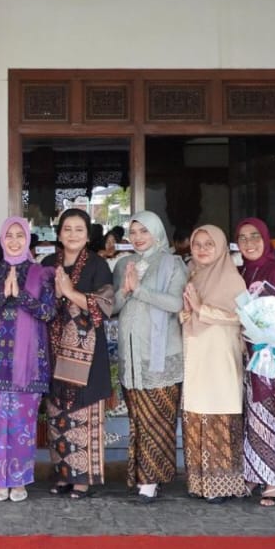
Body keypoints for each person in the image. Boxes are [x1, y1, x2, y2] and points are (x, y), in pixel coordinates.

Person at [0, 217, 53, 502]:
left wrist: (20, 296)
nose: (14, 241)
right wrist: (2, 294)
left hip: (29, 360)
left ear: (28, 240)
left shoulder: (40, 273)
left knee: (22, 422)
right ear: (2, 239)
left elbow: (48, 312)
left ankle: (18, 480)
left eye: (20, 235)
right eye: (9, 235)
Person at [113, 212, 188, 503]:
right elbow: (113, 307)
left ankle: (151, 480)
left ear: (156, 232)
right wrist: (124, 290)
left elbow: (175, 303)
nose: (138, 237)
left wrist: (140, 290)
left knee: (158, 420)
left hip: (161, 357)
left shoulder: (173, 263)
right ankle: (142, 475)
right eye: (133, 232)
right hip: (131, 356)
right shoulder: (123, 264)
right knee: (138, 420)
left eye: (144, 231)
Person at [42, 208, 114, 498]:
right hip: (54, 348)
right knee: (58, 413)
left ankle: (83, 478)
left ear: (87, 236)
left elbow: (105, 306)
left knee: (84, 412)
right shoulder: (48, 263)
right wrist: (54, 295)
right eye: (67, 229)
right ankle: (63, 475)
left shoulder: (98, 265)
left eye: (79, 229)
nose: (72, 234)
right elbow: (38, 303)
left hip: (88, 354)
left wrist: (70, 293)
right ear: (59, 234)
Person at [234, 217, 275, 507]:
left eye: (254, 236)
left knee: (267, 416)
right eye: (242, 237)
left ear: (265, 239)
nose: (249, 242)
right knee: (250, 417)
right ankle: (253, 473)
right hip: (243, 354)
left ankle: (273, 481)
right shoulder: (239, 272)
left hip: (269, 355)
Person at [180, 225, 248, 504]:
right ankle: (199, 483)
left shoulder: (232, 279)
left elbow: (240, 316)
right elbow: (184, 315)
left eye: (209, 244)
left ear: (221, 247)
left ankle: (222, 485)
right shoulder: (192, 274)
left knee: (219, 414)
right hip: (196, 354)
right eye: (197, 244)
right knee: (196, 414)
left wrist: (200, 309)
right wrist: (187, 312)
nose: (202, 249)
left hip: (221, 358)